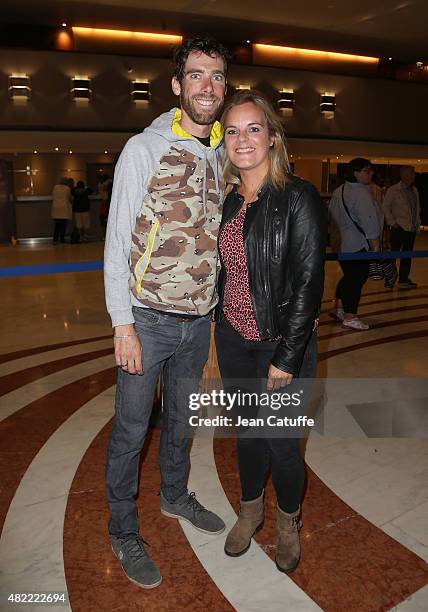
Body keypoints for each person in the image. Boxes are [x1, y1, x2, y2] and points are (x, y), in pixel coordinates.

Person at [104, 36, 229, 590]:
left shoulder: (226, 150)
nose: (208, 86)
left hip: (198, 322)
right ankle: (122, 529)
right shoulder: (143, 149)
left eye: (218, 76)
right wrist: (121, 323)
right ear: (177, 85)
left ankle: (175, 495)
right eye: (197, 76)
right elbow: (116, 240)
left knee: (181, 422)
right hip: (147, 320)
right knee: (131, 432)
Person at [214, 90, 326, 573]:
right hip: (235, 340)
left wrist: (288, 356)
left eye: (253, 128)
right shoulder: (227, 201)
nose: (243, 139)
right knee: (247, 435)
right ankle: (250, 510)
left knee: (280, 441)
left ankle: (286, 521)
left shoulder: (298, 197)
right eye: (233, 130)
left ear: (273, 139)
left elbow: (308, 282)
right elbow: (224, 274)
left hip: (282, 344)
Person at [329, 158, 382, 330]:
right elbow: (369, 219)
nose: (371, 173)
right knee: (356, 279)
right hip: (358, 243)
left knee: (349, 276)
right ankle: (350, 316)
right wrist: (375, 244)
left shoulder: (339, 190)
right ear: (356, 173)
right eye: (367, 170)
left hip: (341, 243)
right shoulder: (361, 192)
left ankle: (340, 308)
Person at [383, 165, 421, 289]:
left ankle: (403, 279)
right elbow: (385, 207)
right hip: (398, 228)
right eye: (410, 173)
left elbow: (416, 209)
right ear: (403, 175)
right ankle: (390, 279)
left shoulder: (414, 190)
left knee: (407, 255)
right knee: (393, 255)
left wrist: (417, 223)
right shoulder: (393, 190)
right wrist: (392, 222)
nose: (413, 176)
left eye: (413, 173)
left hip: (411, 229)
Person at [51, 177, 72, 243]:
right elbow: (69, 198)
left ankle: (55, 239)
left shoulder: (55, 187)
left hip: (56, 208)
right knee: (63, 226)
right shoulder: (67, 188)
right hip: (64, 209)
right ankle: (62, 239)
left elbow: (53, 195)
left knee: (57, 226)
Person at [98, 173, 112, 240]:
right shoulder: (105, 184)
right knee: (105, 220)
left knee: (104, 220)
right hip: (106, 203)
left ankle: (105, 236)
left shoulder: (101, 184)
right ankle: (105, 236)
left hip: (105, 203)